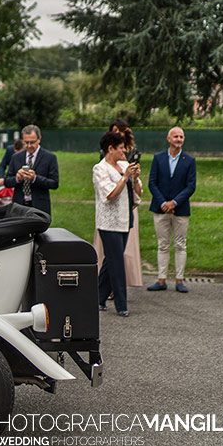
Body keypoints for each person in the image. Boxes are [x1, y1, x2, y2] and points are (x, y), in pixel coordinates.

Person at [93, 131, 142, 317]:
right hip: (109, 222)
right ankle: (122, 304)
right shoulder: (100, 169)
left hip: (125, 218)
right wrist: (124, 178)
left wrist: (135, 178)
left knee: (112, 259)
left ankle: (97, 297)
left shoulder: (124, 165)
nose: (124, 151)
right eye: (121, 148)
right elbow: (110, 195)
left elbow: (138, 192)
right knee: (116, 262)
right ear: (110, 149)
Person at [146, 127, 196, 293]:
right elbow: (152, 182)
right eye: (176, 136)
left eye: (181, 137)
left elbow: (191, 186)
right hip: (160, 209)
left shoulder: (189, 160)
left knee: (181, 244)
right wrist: (163, 203)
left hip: (180, 209)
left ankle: (179, 280)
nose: (179, 139)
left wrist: (174, 203)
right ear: (168, 139)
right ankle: (161, 280)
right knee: (163, 244)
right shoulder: (158, 158)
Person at [4, 125, 59, 216]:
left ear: (39, 139)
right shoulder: (16, 157)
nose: (29, 146)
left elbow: (54, 183)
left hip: (40, 206)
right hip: (19, 206)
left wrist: (35, 178)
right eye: (26, 142)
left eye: (32, 142)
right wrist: (17, 178)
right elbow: (7, 182)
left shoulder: (50, 157)